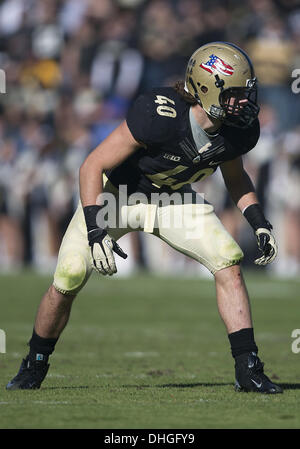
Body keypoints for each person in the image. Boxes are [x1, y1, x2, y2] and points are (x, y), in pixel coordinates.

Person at [7, 42, 282, 393]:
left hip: (173, 200)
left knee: (227, 261)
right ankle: (35, 362)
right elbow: (93, 164)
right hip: (118, 196)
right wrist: (94, 229)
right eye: (235, 95)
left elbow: (235, 175)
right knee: (69, 275)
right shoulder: (159, 114)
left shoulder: (236, 129)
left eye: (247, 94)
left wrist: (258, 220)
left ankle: (248, 368)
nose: (244, 103)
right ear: (206, 89)